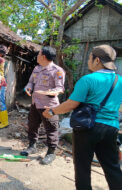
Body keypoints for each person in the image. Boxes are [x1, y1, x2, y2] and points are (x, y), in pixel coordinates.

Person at [43, 45, 122, 190]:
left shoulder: (88, 79)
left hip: (87, 128)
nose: (88, 61)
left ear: (97, 60)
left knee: (82, 167)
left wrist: (52, 111)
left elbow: (71, 104)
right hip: (111, 128)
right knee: (112, 168)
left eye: (90, 57)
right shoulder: (120, 81)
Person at [20, 46, 65, 165]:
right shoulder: (37, 69)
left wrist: (47, 92)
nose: (37, 56)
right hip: (35, 103)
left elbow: (59, 88)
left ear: (43, 56)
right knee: (32, 125)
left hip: (49, 106)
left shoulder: (57, 70)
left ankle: (51, 153)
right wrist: (28, 87)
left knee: (51, 129)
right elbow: (31, 82)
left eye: (39, 54)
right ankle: (32, 146)